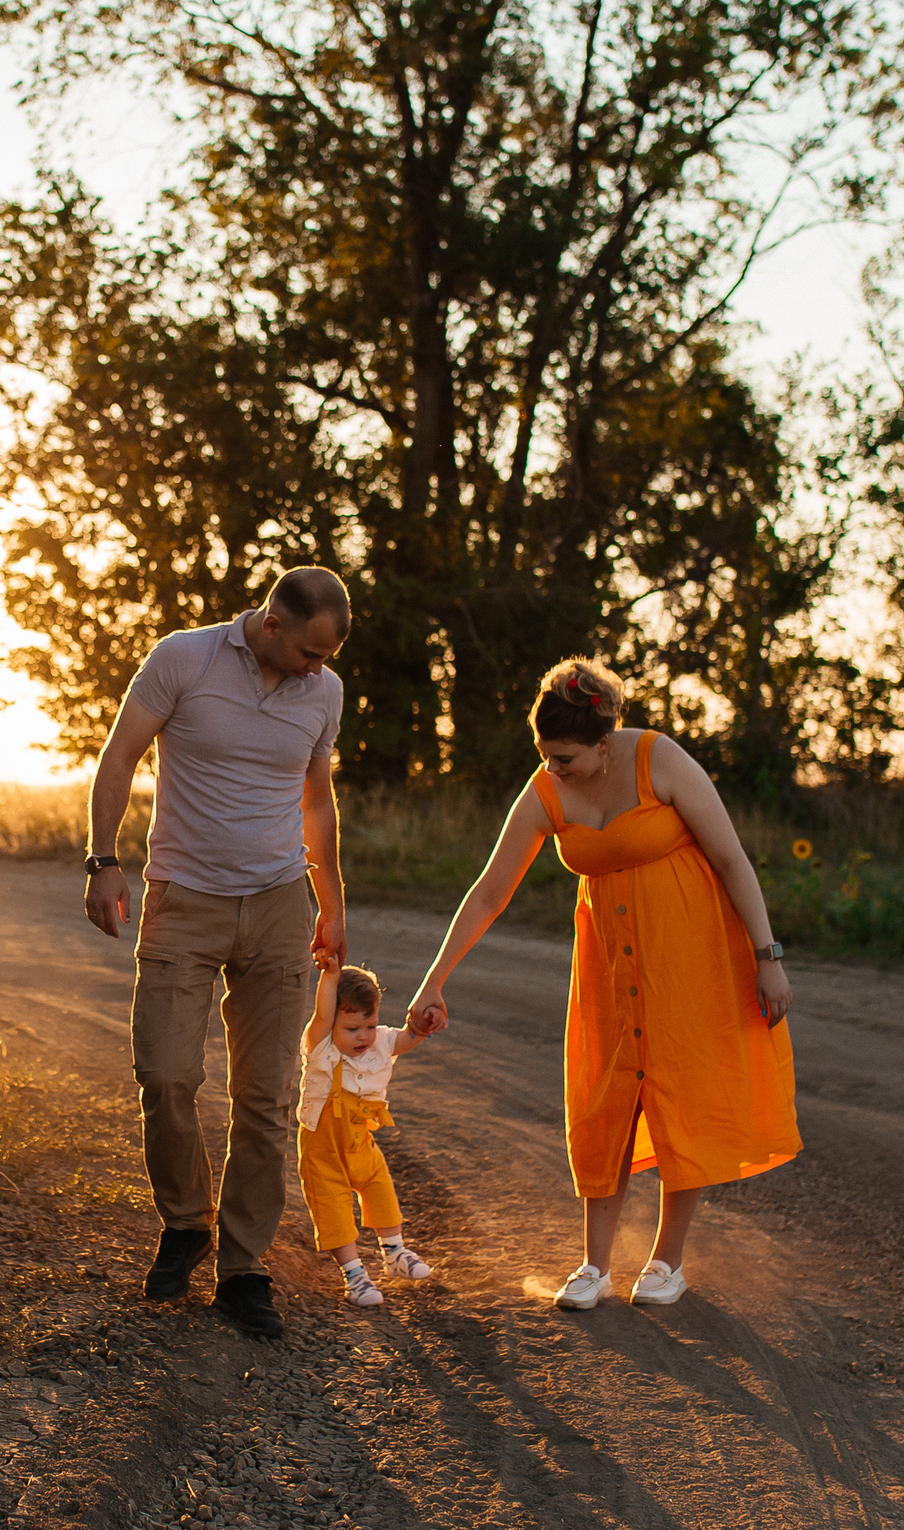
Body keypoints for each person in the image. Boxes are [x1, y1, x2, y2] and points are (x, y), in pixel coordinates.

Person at [407, 655, 798, 1310]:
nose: (552, 769)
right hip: (608, 965)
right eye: (544, 755)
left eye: (564, 757)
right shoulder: (547, 789)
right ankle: (594, 1265)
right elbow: (489, 892)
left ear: (603, 741)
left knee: (683, 1094)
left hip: (690, 955)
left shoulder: (658, 758)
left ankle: (666, 1262)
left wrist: (768, 953)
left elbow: (731, 856)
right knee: (604, 1100)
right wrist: (433, 981)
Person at [84, 566, 352, 1339]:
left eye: (328, 657)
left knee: (266, 1099)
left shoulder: (322, 693)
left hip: (277, 905)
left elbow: (316, 797)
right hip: (183, 898)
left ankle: (243, 1267)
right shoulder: (184, 659)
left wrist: (331, 904)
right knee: (166, 1075)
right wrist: (103, 860)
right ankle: (186, 1222)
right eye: (308, 651)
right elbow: (119, 756)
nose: (317, 668)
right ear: (271, 624)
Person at [297, 963, 434, 1307]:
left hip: (360, 1139)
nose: (363, 1035)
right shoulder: (322, 1046)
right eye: (352, 1027)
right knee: (333, 1206)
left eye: (370, 1025)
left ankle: (394, 1253)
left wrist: (421, 1028)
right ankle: (355, 1274)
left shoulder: (377, 1043)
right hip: (322, 1147)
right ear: (331, 1023)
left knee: (380, 1186)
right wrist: (329, 973)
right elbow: (322, 1012)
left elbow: (402, 1039)